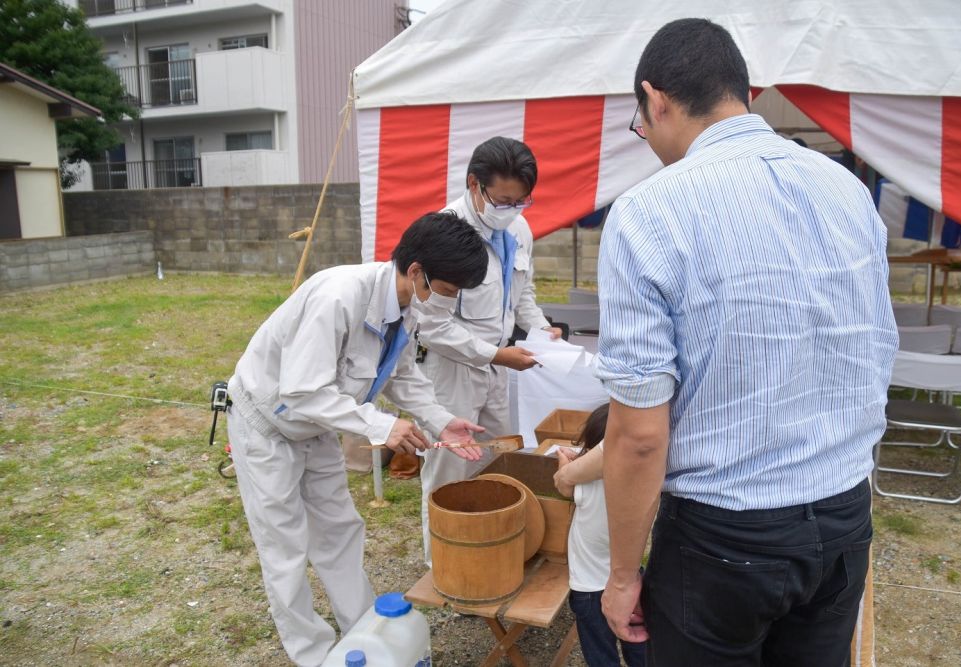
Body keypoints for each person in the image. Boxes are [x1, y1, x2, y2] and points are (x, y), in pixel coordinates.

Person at [594, 18, 898, 667]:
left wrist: (621, 576)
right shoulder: (848, 191)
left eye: (640, 124)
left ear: (656, 99)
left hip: (724, 533)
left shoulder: (650, 212)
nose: (645, 139)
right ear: (744, 93)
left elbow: (641, 434)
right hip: (844, 513)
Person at [226, 211, 489, 667]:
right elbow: (302, 390)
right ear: (416, 272)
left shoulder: (407, 308)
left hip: (318, 427)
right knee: (285, 545)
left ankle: (364, 631)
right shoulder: (340, 297)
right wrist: (383, 426)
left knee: (340, 530)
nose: (448, 302)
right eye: (446, 291)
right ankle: (312, 653)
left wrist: (441, 421)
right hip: (266, 425)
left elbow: (402, 375)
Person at [416, 136, 561, 563]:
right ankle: (443, 562)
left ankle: (489, 549)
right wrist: (497, 355)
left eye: (521, 201)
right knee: (447, 468)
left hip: (500, 366)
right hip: (451, 369)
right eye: (502, 200)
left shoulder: (517, 229)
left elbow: (523, 294)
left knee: (499, 457)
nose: (511, 208)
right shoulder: (444, 233)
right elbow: (429, 324)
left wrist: (540, 328)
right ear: (473, 185)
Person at [553, 403, 646, 667]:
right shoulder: (639, 482)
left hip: (589, 589)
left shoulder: (585, 482)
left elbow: (566, 486)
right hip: (631, 581)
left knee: (600, 654)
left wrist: (564, 459)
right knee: (638, 644)